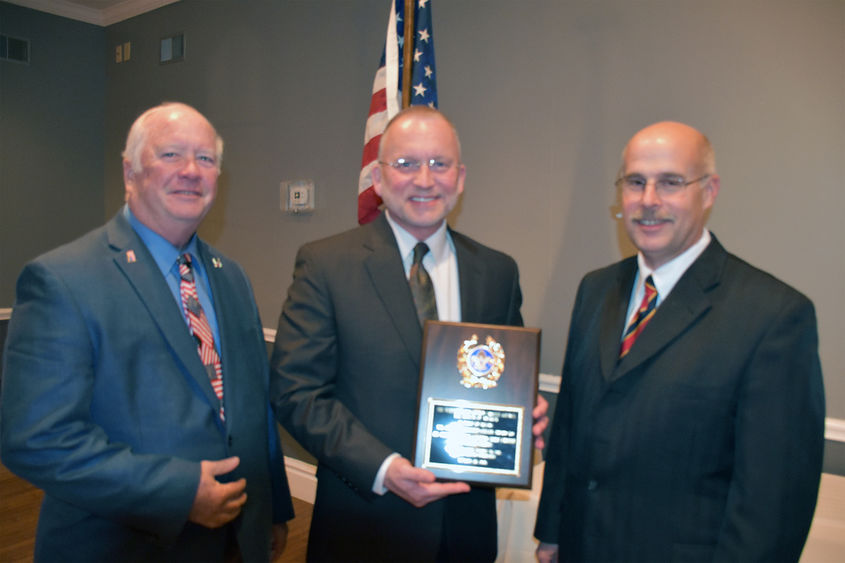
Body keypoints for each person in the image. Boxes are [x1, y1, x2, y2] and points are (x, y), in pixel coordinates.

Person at [0, 102, 294, 562]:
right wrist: (176, 492)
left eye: (206, 159)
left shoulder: (230, 276)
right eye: (171, 155)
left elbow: (253, 403)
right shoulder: (62, 280)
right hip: (123, 546)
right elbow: (35, 440)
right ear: (129, 172)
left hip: (239, 540)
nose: (191, 172)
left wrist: (272, 504)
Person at [534, 121, 825, 562]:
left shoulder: (774, 316)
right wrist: (552, 532)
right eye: (635, 182)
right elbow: (572, 424)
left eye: (670, 183)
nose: (649, 201)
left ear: (708, 192)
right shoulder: (596, 290)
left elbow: (774, 503)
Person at [271, 106, 548, 562]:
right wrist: (385, 469)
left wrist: (524, 406)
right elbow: (295, 392)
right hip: (365, 522)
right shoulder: (326, 266)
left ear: (460, 179)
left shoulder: (497, 271)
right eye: (405, 164)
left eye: (440, 164)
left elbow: (501, 378)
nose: (425, 179)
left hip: (466, 527)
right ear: (377, 180)